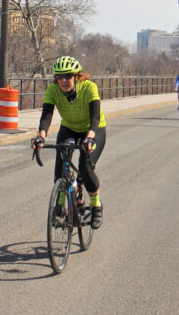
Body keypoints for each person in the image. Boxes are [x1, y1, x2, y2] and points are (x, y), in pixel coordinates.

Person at [31, 56, 107, 229]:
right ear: (56, 79)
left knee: (85, 168)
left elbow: (95, 116)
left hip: (93, 129)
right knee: (60, 167)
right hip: (70, 128)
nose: (64, 80)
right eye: (60, 77)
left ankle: (96, 205)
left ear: (76, 76)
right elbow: (47, 115)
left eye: (68, 76)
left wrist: (90, 136)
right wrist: (40, 136)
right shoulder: (53, 90)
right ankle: (59, 207)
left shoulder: (89, 87)